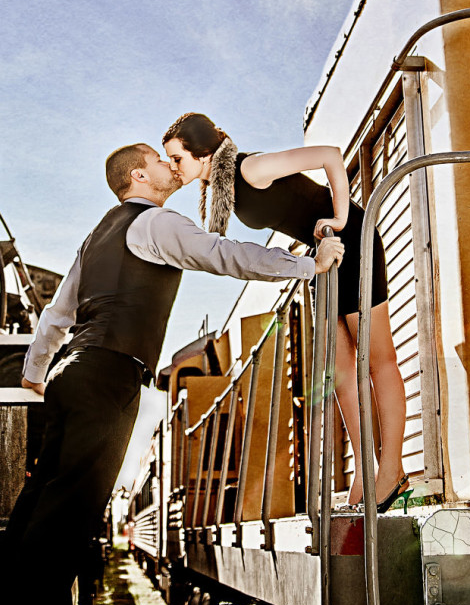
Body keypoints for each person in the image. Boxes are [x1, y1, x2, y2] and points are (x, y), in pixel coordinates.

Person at [0, 142, 343, 605]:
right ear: (139, 175)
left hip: (70, 373)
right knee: (68, 523)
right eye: (160, 161)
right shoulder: (157, 223)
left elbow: (57, 314)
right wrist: (311, 266)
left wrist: (34, 374)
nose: (169, 165)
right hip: (109, 374)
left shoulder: (96, 236)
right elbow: (224, 255)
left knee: (40, 504)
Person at [162, 113, 410, 510]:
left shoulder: (250, 168)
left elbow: (329, 156)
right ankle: (365, 472)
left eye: (177, 158)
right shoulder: (225, 187)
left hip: (354, 239)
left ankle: (392, 468)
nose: (173, 168)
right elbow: (292, 208)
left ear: (202, 153)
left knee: (378, 359)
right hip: (326, 256)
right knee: (342, 372)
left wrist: (340, 218)